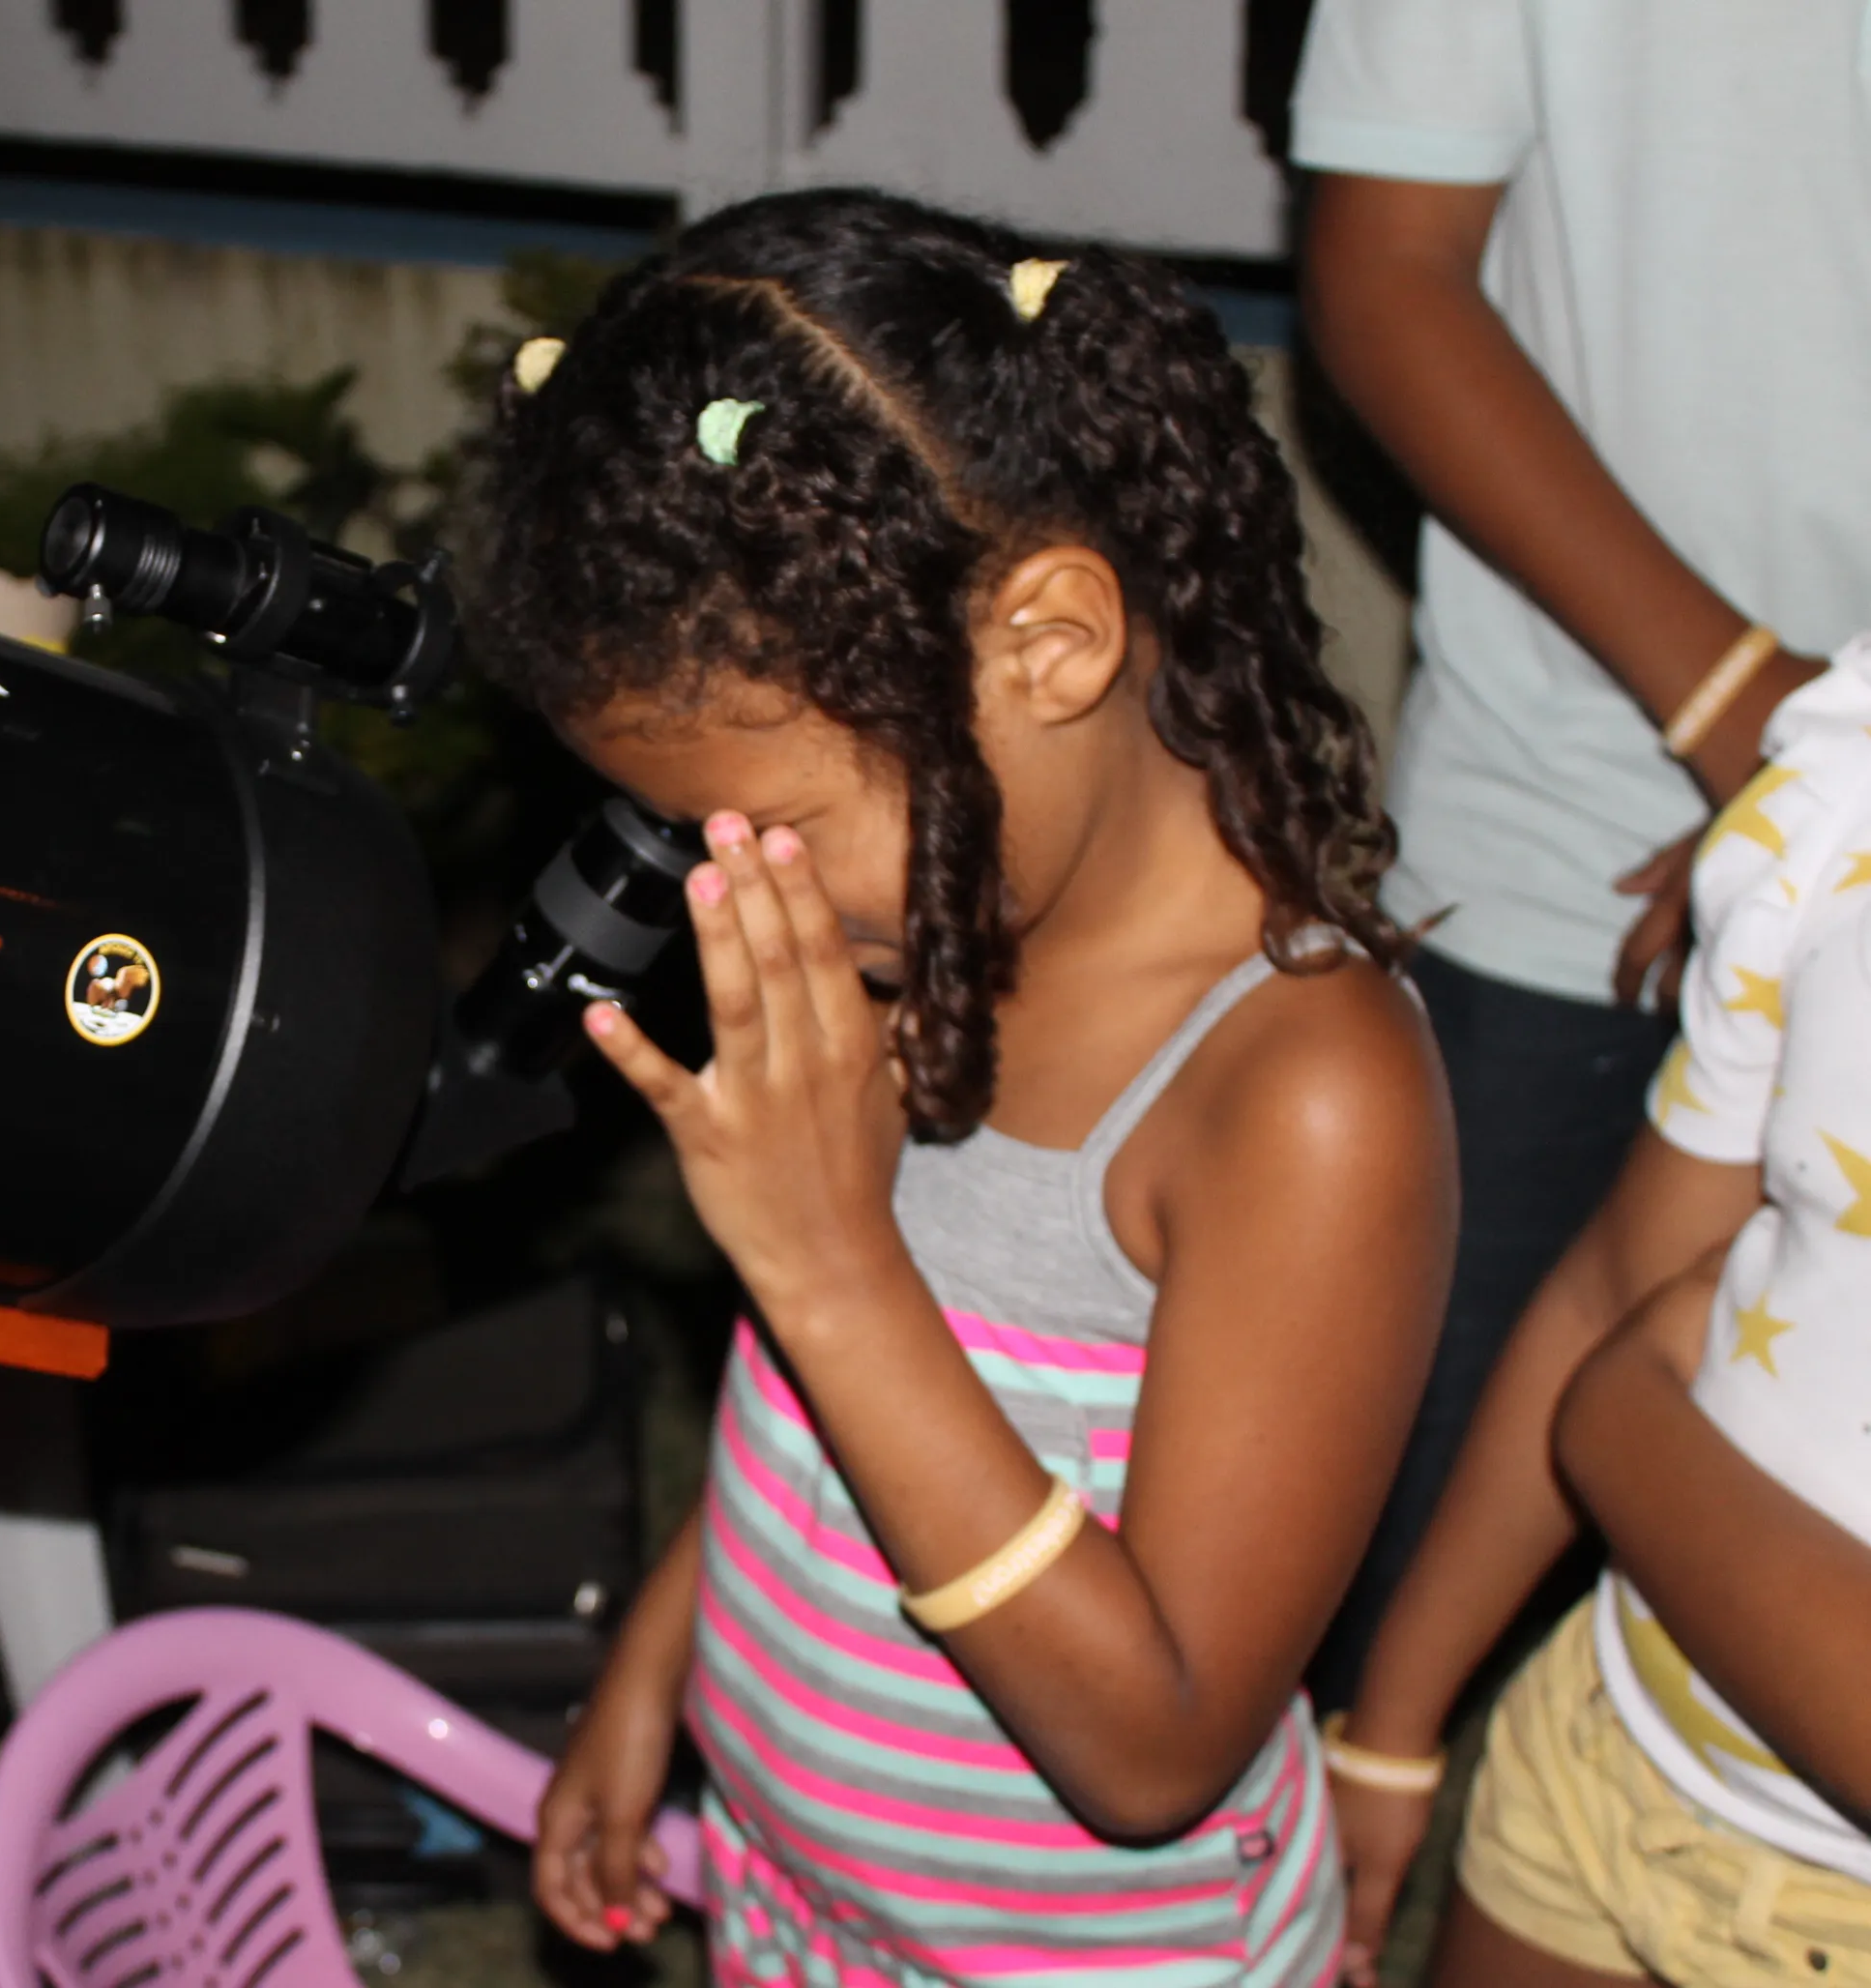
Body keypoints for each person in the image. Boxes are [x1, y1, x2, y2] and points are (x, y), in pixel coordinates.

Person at [474, 189, 1457, 1987]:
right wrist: (662, 1666)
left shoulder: (1297, 1099)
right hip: (802, 1899)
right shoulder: (911, 925)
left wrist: (825, 1258)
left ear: (1048, 647)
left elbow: (1155, 1745)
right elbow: (813, 1409)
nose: (722, 893)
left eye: (762, 825)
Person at [1289, 0, 1871, 1706]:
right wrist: (1737, 704)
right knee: (1372, 1545)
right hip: (1563, 814)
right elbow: (1386, 264)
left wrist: (1832, 762)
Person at [1329, 638, 1871, 1988]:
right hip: (1597, 1758)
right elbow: (1622, 1274)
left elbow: (1618, 1361)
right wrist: (1394, 1724)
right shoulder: (1844, 800)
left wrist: (1624, 1422)